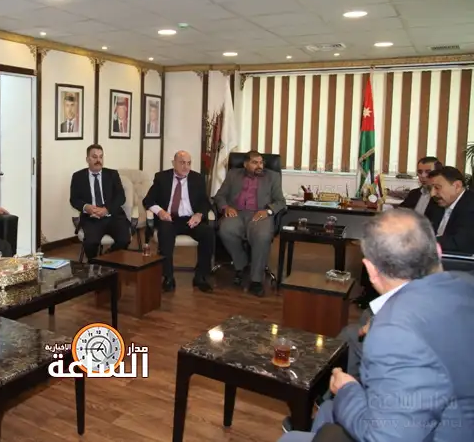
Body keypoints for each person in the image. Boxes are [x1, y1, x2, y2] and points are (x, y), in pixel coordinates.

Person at [280, 208, 474, 442]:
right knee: (330, 410)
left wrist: (347, 390)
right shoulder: (466, 284)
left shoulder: (393, 333)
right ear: (438, 251)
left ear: (371, 270)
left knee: (293, 438)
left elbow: (387, 436)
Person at [213, 150, 285, 297]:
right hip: (237, 212)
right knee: (225, 229)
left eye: (261, 162)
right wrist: (226, 208)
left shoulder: (272, 177)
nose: (259, 166)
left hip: (260, 214)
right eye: (255, 162)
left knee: (262, 236)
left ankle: (256, 280)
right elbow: (220, 196)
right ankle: (241, 263)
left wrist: (268, 211)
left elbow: (280, 201)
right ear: (245, 164)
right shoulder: (233, 174)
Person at [143, 150, 214, 292]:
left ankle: (200, 276)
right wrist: (160, 212)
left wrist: (199, 215)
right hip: (169, 218)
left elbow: (205, 202)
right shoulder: (162, 178)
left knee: (208, 234)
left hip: (190, 219)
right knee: (165, 233)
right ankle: (168, 277)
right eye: (182, 163)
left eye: (188, 163)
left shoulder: (197, 178)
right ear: (173, 163)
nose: (186, 167)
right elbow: (148, 200)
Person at [69, 144, 131, 261]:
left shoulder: (112, 174)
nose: (98, 160)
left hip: (112, 216)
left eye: (101, 157)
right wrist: (86, 207)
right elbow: (74, 199)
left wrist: (106, 209)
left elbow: (121, 197)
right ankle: (95, 264)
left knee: (124, 240)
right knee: (90, 243)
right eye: (94, 157)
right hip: (91, 218)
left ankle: (107, 259)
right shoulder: (78, 176)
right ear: (87, 159)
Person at [428, 166, 474, 253]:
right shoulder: (437, 202)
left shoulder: (471, 206)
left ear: (457, 186)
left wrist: (423, 242)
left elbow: (459, 243)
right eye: (430, 189)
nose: (432, 193)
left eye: (437, 188)